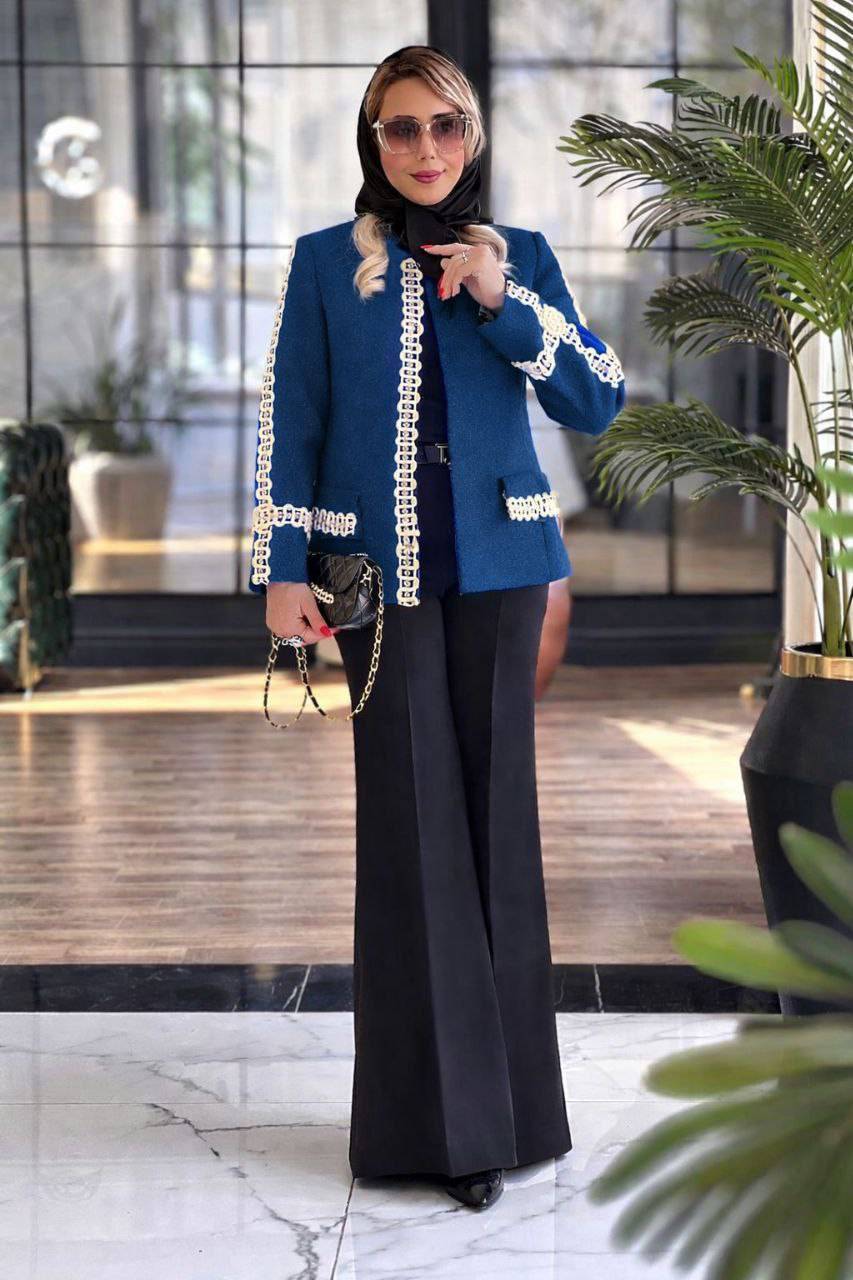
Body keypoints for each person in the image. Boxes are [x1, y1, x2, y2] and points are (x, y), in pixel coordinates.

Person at [249, 44, 626, 1211]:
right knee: (411, 836)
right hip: (374, 579)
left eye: (445, 126)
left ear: (473, 137)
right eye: (401, 127)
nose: (425, 148)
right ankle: (440, 1130)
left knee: (499, 831)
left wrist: (501, 301)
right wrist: (280, 570)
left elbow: (597, 397)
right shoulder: (325, 264)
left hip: (504, 571)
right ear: (374, 141)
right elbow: (293, 419)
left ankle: (516, 1115)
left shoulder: (522, 260)